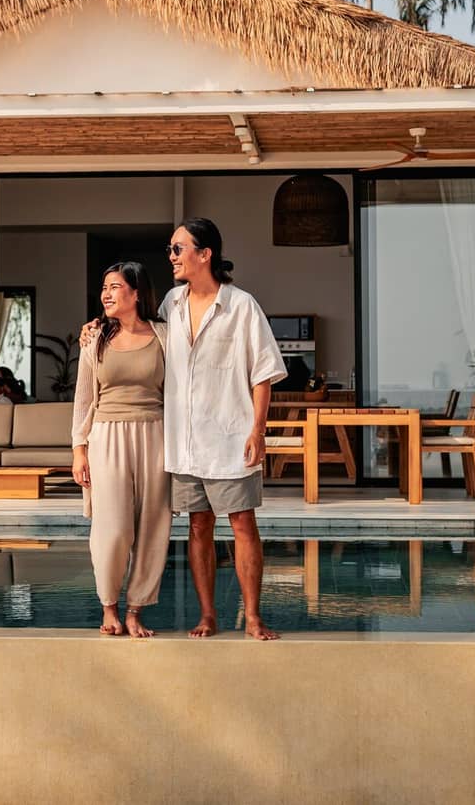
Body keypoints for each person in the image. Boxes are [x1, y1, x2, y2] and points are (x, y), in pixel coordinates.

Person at [160, 217, 284, 640]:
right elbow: (141, 338)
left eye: (178, 248)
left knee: (242, 524)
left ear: (204, 253)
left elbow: (262, 372)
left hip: (230, 436)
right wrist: (96, 330)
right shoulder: (170, 304)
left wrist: (258, 429)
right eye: (171, 249)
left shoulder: (241, 305)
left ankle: (252, 616)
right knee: (198, 526)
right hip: (184, 440)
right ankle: (208, 615)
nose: (172, 256)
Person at [71, 262, 168, 637]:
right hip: (106, 435)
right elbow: (83, 399)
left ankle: (135, 610)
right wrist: (79, 448)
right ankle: (109, 606)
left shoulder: (165, 336)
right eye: (104, 287)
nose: (106, 294)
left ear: (137, 293)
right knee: (111, 528)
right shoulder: (94, 339)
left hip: (156, 435)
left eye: (115, 287)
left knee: (152, 528)